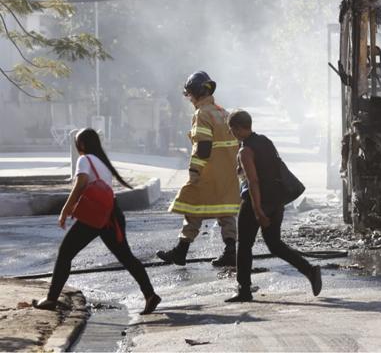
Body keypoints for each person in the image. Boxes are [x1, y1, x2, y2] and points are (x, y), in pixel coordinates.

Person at [33, 128, 160, 315]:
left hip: (94, 216)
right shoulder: (101, 162)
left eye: (77, 143)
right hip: (111, 216)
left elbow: (81, 183)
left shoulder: (84, 160)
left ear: (82, 144)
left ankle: (51, 299)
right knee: (126, 257)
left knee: (65, 253)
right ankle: (150, 295)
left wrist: (66, 209)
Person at [225, 109, 322, 302]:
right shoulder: (265, 141)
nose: (231, 133)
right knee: (275, 245)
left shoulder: (246, 151)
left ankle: (244, 289)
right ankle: (309, 270)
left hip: (256, 202)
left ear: (236, 129)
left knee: (244, 245)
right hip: (276, 201)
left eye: (231, 129)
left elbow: (253, 181)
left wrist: (257, 210)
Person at [157, 71, 241, 267]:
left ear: (194, 93)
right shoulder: (223, 113)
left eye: (189, 95)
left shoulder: (202, 114)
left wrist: (194, 171)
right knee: (226, 211)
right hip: (228, 173)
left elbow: (202, 147)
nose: (189, 99)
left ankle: (181, 250)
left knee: (192, 207)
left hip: (208, 171)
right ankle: (230, 250)